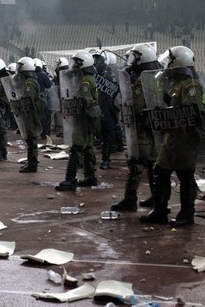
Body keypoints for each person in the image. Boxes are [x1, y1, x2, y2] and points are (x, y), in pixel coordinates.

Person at [139, 46, 205, 227]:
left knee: (185, 176)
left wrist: (168, 113)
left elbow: (191, 113)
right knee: (160, 172)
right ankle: (160, 211)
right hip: (172, 137)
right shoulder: (176, 85)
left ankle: (187, 214)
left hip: (186, 138)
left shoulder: (191, 85)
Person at [111, 44, 160, 211]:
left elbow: (136, 105)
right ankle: (157, 197)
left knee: (136, 163)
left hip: (142, 129)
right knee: (152, 164)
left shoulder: (143, 81)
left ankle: (130, 199)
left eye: (135, 57)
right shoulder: (156, 77)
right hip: (153, 128)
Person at [55, 50, 100, 191]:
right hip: (89, 118)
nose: (74, 64)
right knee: (87, 147)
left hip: (83, 118)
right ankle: (90, 176)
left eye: (77, 62)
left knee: (77, 147)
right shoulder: (87, 77)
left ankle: (70, 179)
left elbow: (84, 100)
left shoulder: (85, 80)